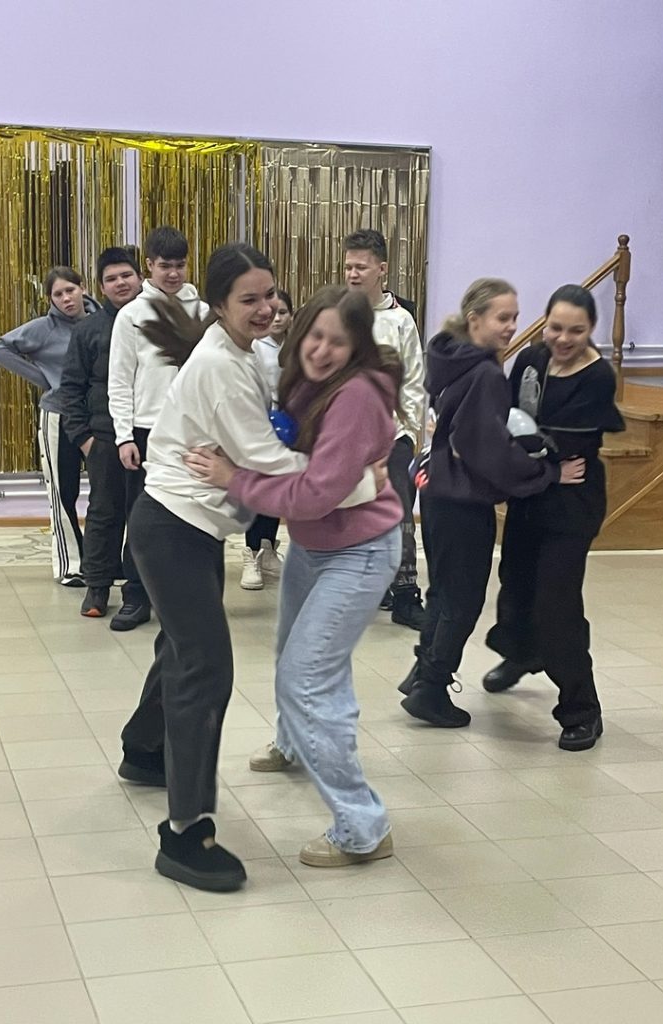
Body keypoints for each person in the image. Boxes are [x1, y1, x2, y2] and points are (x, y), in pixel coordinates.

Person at [116, 245, 382, 892]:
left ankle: (145, 751)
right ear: (218, 305)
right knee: (206, 669)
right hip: (173, 529)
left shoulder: (247, 352)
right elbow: (270, 464)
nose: (266, 309)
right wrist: (358, 482)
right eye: (249, 300)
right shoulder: (220, 366)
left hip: (191, 529)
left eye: (269, 295)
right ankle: (185, 834)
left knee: (182, 650)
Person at [189, 284, 404, 868]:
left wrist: (233, 479)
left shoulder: (355, 395)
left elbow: (313, 494)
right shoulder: (300, 379)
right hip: (316, 544)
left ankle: (363, 827)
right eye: (316, 336)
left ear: (357, 348)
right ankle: (294, 742)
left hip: (359, 550)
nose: (323, 350)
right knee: (296, 655)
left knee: (306, 678)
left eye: (339, 342)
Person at [398, 278, 586, 728]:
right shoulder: (484, 374)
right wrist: (547, 474)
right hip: (463, 503)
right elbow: (489, 451)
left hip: (437, 494)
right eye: (503, 317)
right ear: (474, 319)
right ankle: (431, 688)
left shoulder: (450, 360)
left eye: (515, 317)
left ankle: (422, 672)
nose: (511, 326)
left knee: (443, 592)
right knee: (462, 601)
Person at [483, 284, 624, 751]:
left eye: (575, 331)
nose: (563, 339)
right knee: (515, 582)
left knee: (557, 604)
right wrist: (530, 458)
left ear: (591, 329)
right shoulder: (529, 360)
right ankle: (523, 654)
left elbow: (562, 447)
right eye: (556, 328)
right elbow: (512, 424)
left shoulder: (598, 376)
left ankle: (582, 709)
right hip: (532, 493)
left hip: (572, 503)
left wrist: (529, 453)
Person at [107, 226, 208, 631]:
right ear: (148, 265)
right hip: (146, 431)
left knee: (191, 513)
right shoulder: (131, 315)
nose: (173, 273)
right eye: (165, 266)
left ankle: (183, 597)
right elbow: (120, 380)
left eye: (180, 265)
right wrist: (124, 436)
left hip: (192, 432)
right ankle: (136, 595)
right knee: (142, 518)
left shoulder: (203, 312)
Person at [0, 267, 101, 585]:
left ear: (83, 288)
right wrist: (46, 380)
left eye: (70, 290)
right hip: (59, 415)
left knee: (106, 490)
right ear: (51, 299)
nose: (66, 298)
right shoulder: (44, 328)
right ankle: (70, 565)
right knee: (63, 491)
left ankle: (102, 560)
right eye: (58, 294)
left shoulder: (103, 320)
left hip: (97, 416)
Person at [344, 228, 426, 629]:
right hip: (346, 438)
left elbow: (413, 381)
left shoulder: (400, 320)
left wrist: (410, 434)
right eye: (348, 267)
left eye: (361, 267)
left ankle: (406, 594)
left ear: (382, 269)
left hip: (391, 437)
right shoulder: (338, 315)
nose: (352, 274)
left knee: (398, 516)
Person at [60, 247, 143, 618]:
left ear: (140, 277)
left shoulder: (155, 321)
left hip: (149, 434)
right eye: (111, 278)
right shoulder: (88, 330)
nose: (120, 283)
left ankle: (140, 589)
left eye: (126, 275)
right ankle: (97, 587)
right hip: (105, 437)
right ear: (100, 287)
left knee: (144, 515)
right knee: (103, 513)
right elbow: (71, 388)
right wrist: (84, 437)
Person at [241, 288, 293, 590]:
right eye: (272, 313)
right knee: (258, 490)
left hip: (288, 425)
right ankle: (251, 553)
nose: (277, 318)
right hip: (260, 422)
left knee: (277, 490)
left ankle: (268, 547)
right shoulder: (254, 346)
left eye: (283, 312)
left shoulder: (296, 345)